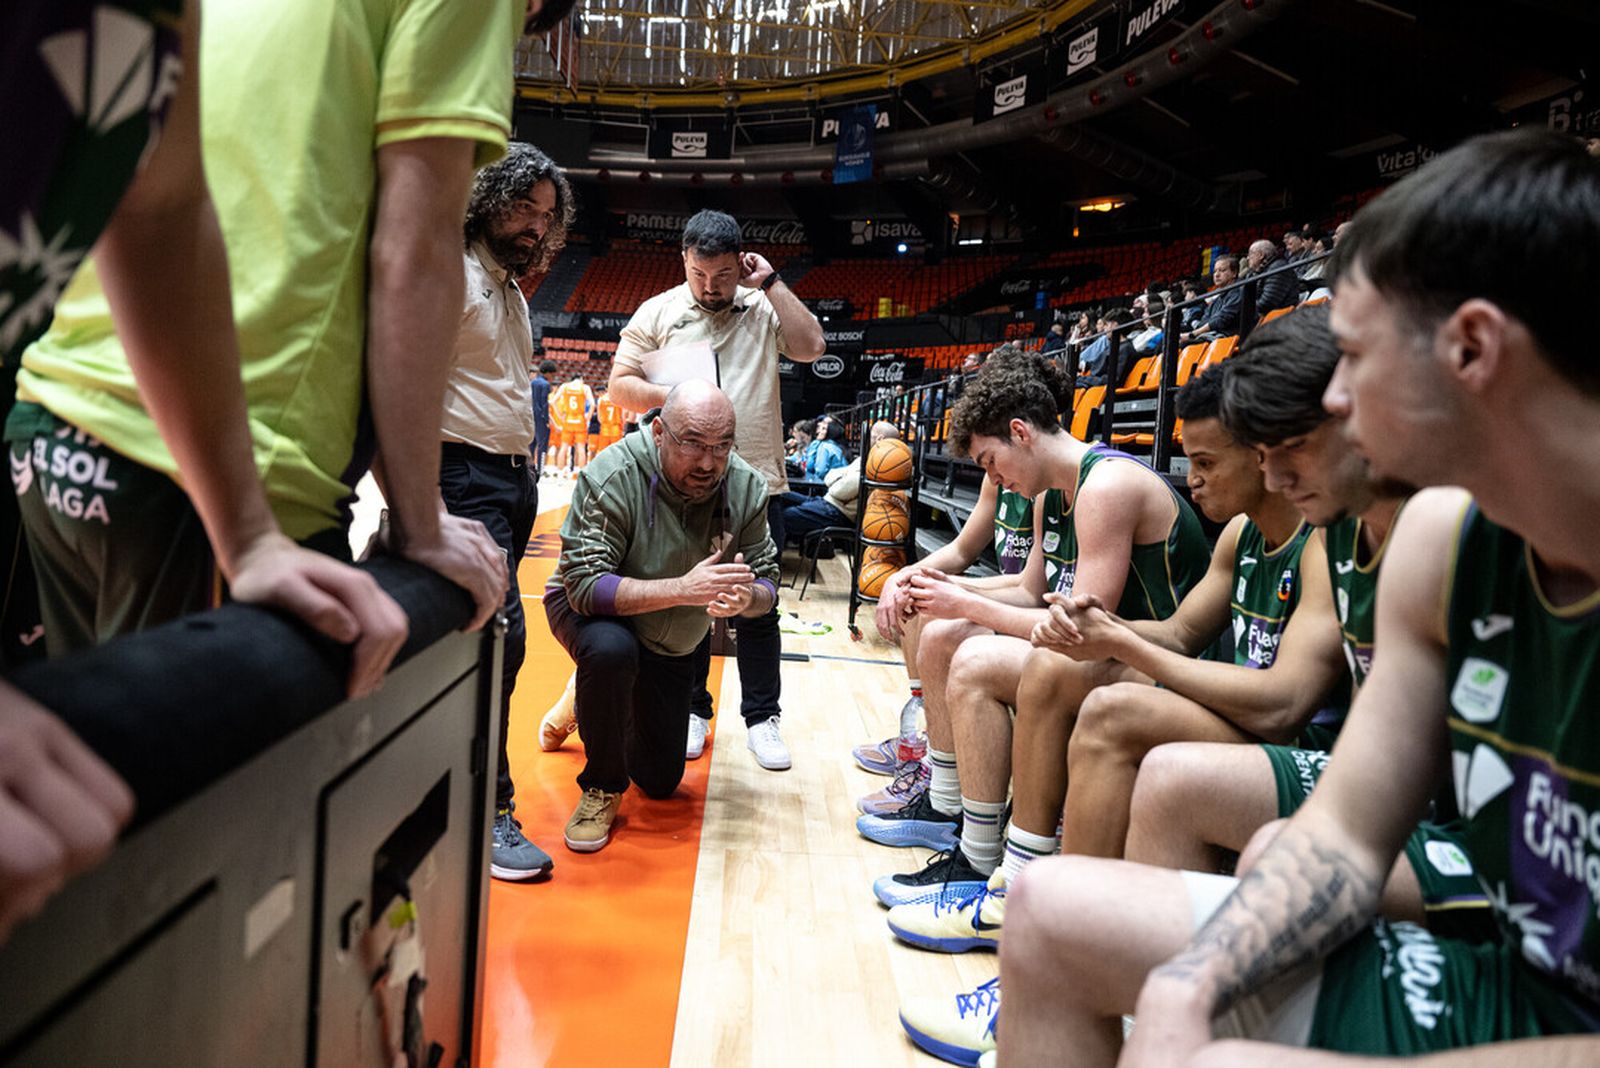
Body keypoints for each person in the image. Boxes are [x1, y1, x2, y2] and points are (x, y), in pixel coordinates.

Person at [995, 129, 1600, 1068]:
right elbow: (1347, 836)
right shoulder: (1441, 543)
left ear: (1473, 348)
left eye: (1353, 356)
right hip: (1511, 977)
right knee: (1052, 914)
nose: (1335, 397)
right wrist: (1191, 984)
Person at [861, 348, 1209, 906]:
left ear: (1020, 433)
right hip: (1115, 657)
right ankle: (955, 817)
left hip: (1166, 668)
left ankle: (982, 855)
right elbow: (1029, 591)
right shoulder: (1055, 494)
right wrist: (937, 589)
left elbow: (1077, 631)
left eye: (990, 462)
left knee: (975, 660)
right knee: (947, 630)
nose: (993, 478)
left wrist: (964, 601)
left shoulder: (1107, 486)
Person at [608, 209, 826, 771]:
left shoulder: (762, 304)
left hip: (759, 482)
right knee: (691, 600)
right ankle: (693, 709)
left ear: (741, 263)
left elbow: (812, 347)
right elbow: (619, 387)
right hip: (683, 486)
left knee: (758, 603)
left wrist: (771, 283)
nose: (710, 286)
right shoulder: (658, 311)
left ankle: (762, 718)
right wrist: (677, 395)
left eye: (723, 274)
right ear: (684, 259)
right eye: (699, 274)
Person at [545, 381, 779, 853]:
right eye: (692, 443)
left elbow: (769, 584)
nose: (708, 462)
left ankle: (587, 699)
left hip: (670, 638)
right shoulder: (613, 473)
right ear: (658, 433)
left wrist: (746, 600)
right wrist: (682, 589)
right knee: (610, 651)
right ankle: (601, 786)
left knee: (658, 779)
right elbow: (585, 586)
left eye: (721, 446)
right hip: (592, 609)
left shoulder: (747, 488)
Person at [439, 142, 573, 882]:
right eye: (523, 207)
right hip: (461, 475)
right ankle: (488, 812)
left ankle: (448, 788)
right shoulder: (452, 273)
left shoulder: (509, 287)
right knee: (501, 641)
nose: (534, 225)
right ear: (488, 198)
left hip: (511, 482)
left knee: (477, 643)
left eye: (545, 216)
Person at [781, 421, 898, 546]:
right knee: (781, 494)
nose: (865, 437)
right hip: (827, 502)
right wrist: (841, 478)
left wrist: (840, 478)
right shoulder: (866, 457)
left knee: (782, 516)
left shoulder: (878, 466)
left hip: (837, 512)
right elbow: (830, 476)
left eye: (870, 434)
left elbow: (837, 490)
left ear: (880, 439)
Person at [1183, 255, 1242, 341]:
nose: (1217, 275)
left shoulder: (1239, 292)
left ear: (1234, 273)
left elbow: (1221, 320)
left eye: (1222, 270)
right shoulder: (1217, 300)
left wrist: (1192, 334)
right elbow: (1203, 322)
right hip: (1212, 337)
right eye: (1215, 271)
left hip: (1227, 339)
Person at [550, 372, 594, 476]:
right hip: (580, 420)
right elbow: (592, 404)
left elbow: (552, 402)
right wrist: (588, 417)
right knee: (581, 448)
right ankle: (580, 473)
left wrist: (560, 416)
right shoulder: (585, 387)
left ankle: (560, 472)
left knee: (564, 447)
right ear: (581, 378)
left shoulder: (564, 386)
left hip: (568, 419)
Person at [530, 359, 554, 479]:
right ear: (548, 373)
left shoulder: (532, 382)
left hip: (530, 416)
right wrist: (546, 419)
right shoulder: (545, 385)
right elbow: (544, 404)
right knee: (542, 445)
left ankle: (529, 467)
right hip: (541, 418)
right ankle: (540, 469)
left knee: (531, 443)